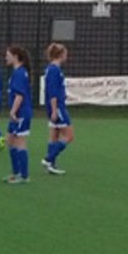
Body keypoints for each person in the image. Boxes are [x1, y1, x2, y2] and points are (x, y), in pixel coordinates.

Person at [41, 42, 73, 175]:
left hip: (54, 106)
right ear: (60, 55)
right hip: (58, 106)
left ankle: (51, 166)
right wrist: (54, 109)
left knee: (54, 135)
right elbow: (53, 92)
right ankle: (48, 159)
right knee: (69, 136)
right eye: (65, 53)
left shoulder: (51, 69)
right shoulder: (54, 70)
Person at [2, 45, 33, 184]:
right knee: (9, 140)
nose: (5, 57)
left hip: (21, 113)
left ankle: (24, 176)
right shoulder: (17, 72)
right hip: (17, 113)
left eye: (8, 55)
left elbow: (20, 95)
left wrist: (13, 111)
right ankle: (16, 172)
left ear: (15, 56)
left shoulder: (20, 73)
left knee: (20, 142)